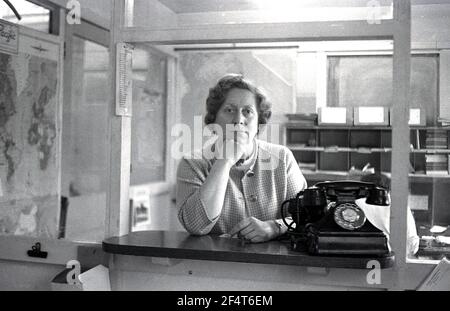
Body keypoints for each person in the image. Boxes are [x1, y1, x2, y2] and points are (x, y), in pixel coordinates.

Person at [176, 74, 307, 243]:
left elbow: (307, 218)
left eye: (248, 111)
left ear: (259, 120)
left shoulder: (282, 158)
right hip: (213, 265)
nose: (238, 120)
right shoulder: (193, 162)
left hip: (273, 266)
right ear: (214, 118)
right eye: (229, 110)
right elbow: (196, 226)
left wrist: (274, 227)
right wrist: (224, 161)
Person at [360, 173, 419, 256]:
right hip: (395, 259)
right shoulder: (400, 204)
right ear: (388, 189)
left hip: (362, 258)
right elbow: (413, 243)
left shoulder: (356, 203)